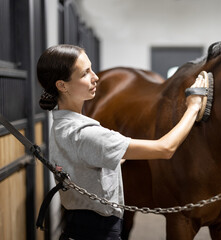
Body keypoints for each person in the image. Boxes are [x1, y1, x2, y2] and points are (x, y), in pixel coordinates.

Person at [36, 44, 205, 240]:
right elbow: (166, 148)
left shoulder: (61, 124)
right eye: (85, 73)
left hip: (79, 225)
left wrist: (117, 155)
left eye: (91, 69)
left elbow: (85, 159)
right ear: (62, 85)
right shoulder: (87, 134)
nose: (95, 77)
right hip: (99, 231)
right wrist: (193, 106)